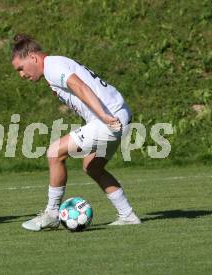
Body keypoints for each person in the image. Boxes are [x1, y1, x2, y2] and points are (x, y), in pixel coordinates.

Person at [11, 34, 141, 231]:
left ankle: (52, 213)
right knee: (93, 167)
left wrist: (103, 116)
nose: (21, 74)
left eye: (21, 68)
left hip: (109, 118)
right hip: (121, 114)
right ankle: (128, 216)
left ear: (33, 57)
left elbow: (79, 86)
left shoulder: (52, 67)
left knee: (55, 152)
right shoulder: (56, 65)